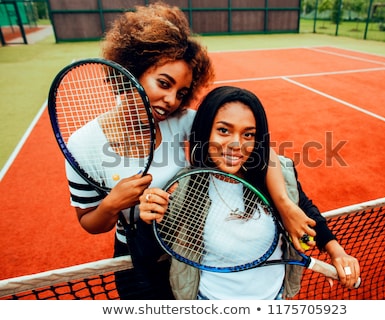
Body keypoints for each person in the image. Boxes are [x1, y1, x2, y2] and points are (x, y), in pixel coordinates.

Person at [66, 2, 314, 300]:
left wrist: (285, 205)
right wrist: (112, 204)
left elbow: (256, 149)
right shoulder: (83, 144)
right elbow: (88, 221)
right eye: (163, 83)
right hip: (135, 254)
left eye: (181, 92)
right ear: (132, 70)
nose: (171, 100)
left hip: (182, 244)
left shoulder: (180, 122)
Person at [139, 86, 361, 299]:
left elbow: (304, 210)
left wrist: (338, 252)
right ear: (206, 131)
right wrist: (148, 219)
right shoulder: (185, 187)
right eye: (223, 130)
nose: (237, 144)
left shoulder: (276, 177)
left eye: (248, 135)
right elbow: (157, 248)